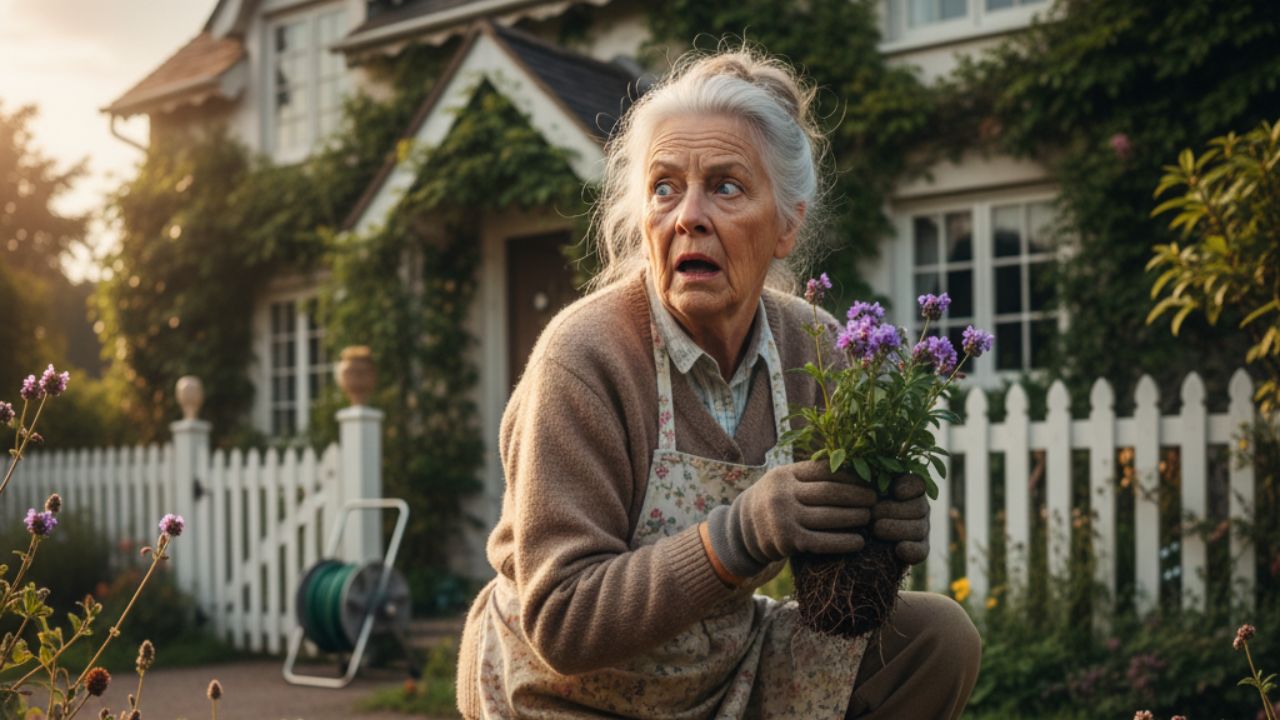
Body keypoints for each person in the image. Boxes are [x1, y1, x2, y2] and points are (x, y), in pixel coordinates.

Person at [456, 48, 981, 719]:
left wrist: (879, 532)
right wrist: (742, 533)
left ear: (787, 223)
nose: (687, 217)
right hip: (567, 695)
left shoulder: (814, 348)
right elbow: (561, 623)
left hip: (723, 674)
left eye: (726, 187)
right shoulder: (583, 357)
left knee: (935, 640)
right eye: (664, 187)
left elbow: (833, 584)